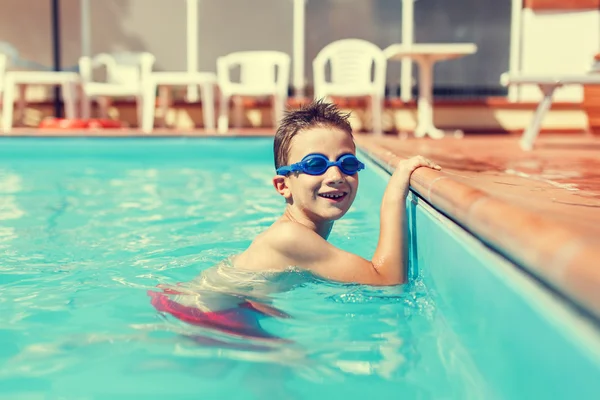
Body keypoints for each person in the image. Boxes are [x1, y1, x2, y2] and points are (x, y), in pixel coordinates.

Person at [149, 100, 441, 340]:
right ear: (283, 185)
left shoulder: (296, 235)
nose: (336, 176)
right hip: (203, 313)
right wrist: (394, 195)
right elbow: (388, 282)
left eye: (347, 163)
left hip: (225, 306)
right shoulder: (291, 238)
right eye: (316, 164)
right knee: (294, 361)